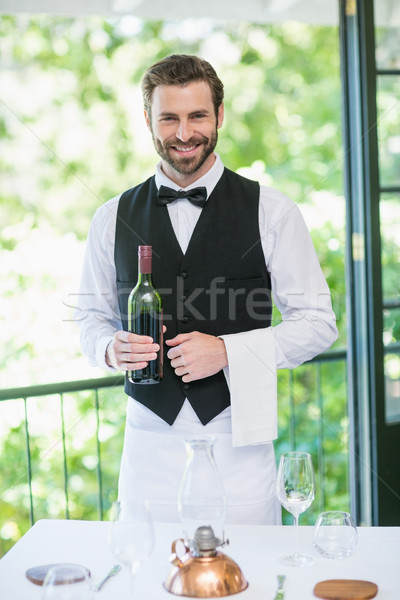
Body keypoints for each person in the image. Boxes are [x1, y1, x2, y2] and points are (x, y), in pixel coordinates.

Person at [76, 54, 338, 525]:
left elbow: (319, 325)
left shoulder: (272, 212)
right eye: (169, 118)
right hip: (148, 454)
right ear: (147, 121)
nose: (183, 134)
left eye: (197, 116)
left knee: (249, 586)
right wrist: (108, 348)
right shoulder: (110, 217)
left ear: (219, 115)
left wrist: (228, 351)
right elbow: (88, 320)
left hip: (239, 446)